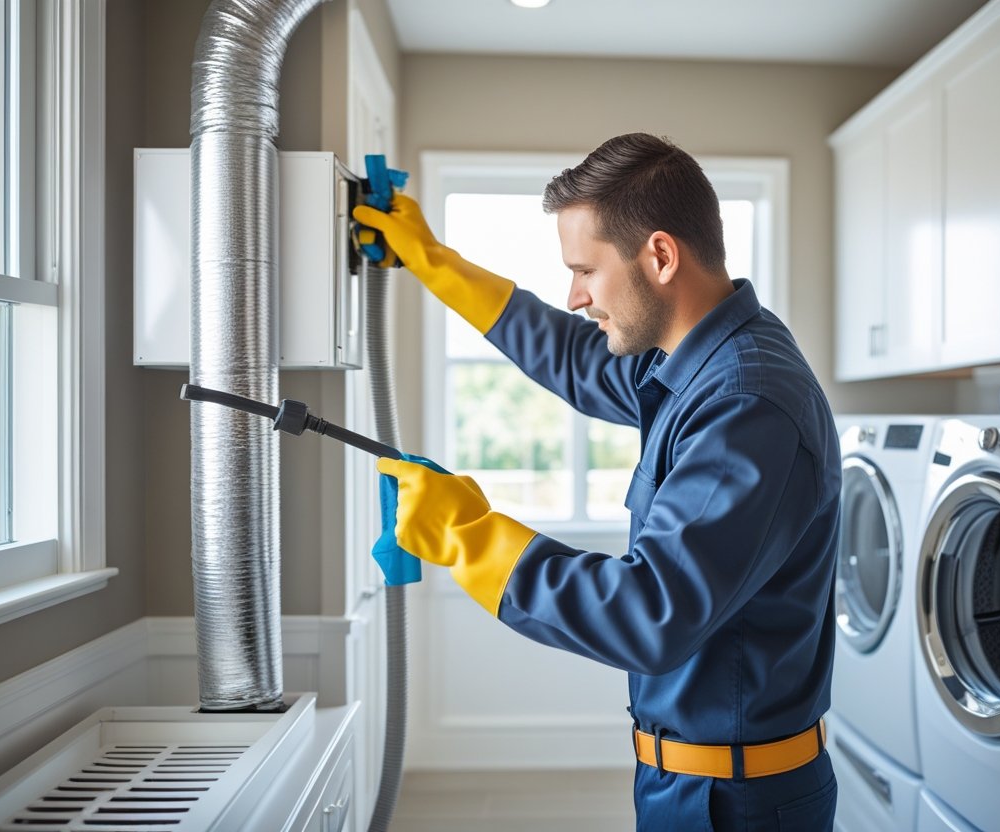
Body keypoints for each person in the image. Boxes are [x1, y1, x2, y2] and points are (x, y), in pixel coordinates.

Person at [354, 132, 841, 831]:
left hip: (736, 804)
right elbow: (576, 359)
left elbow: (651, 609)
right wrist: (435, 262)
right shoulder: (697, 360)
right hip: (693, 782)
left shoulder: (745, 402)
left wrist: (469, 537)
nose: (576, 295)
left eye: (586, 270)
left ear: (661, 255)